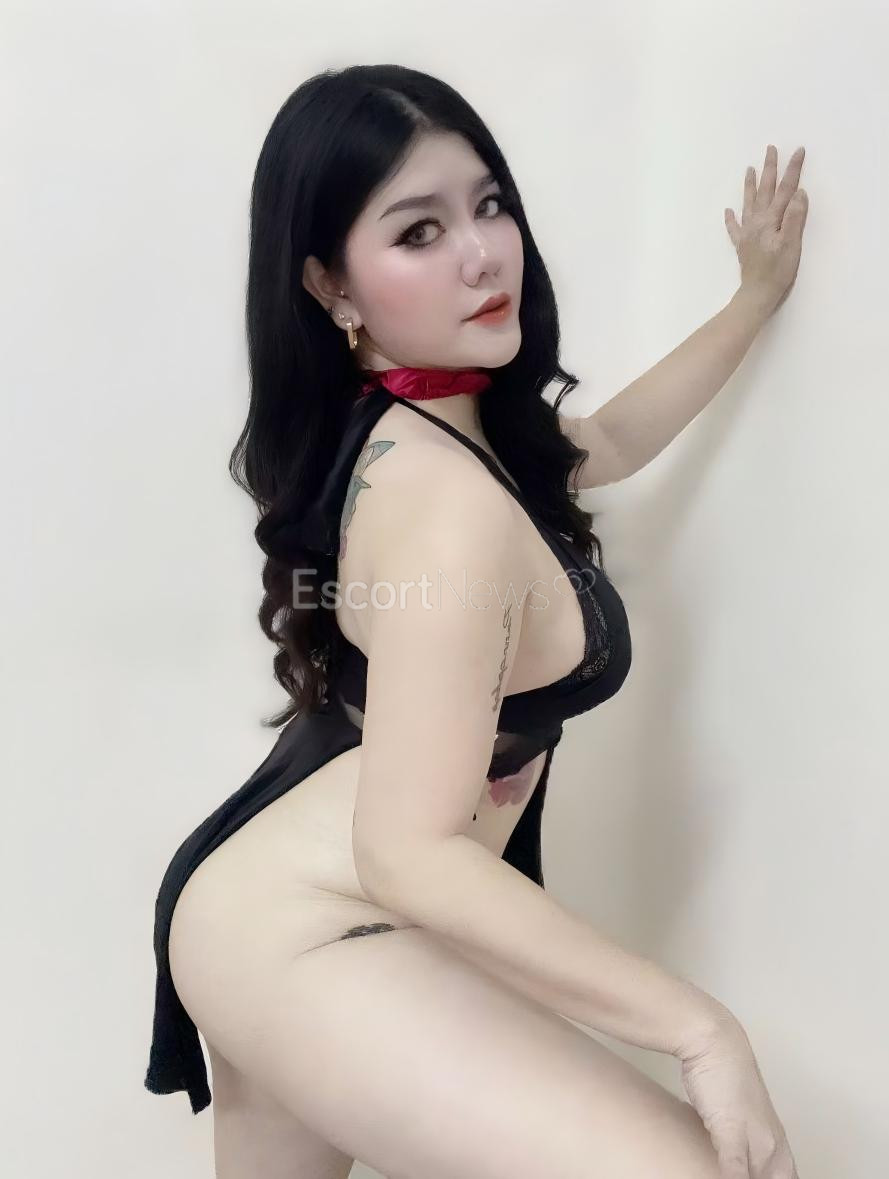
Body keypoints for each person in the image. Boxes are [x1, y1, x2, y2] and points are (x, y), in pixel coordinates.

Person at [145, 65, 806, 1179]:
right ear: (330, 285)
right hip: (312, 927)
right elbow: (406, 851)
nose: (482, 254)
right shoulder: (438, 502)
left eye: (487, 204)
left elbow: (610, 439)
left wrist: (750, 300)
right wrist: (700, 1029)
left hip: (277, 903)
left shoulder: (445, 430)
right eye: (418, 231)